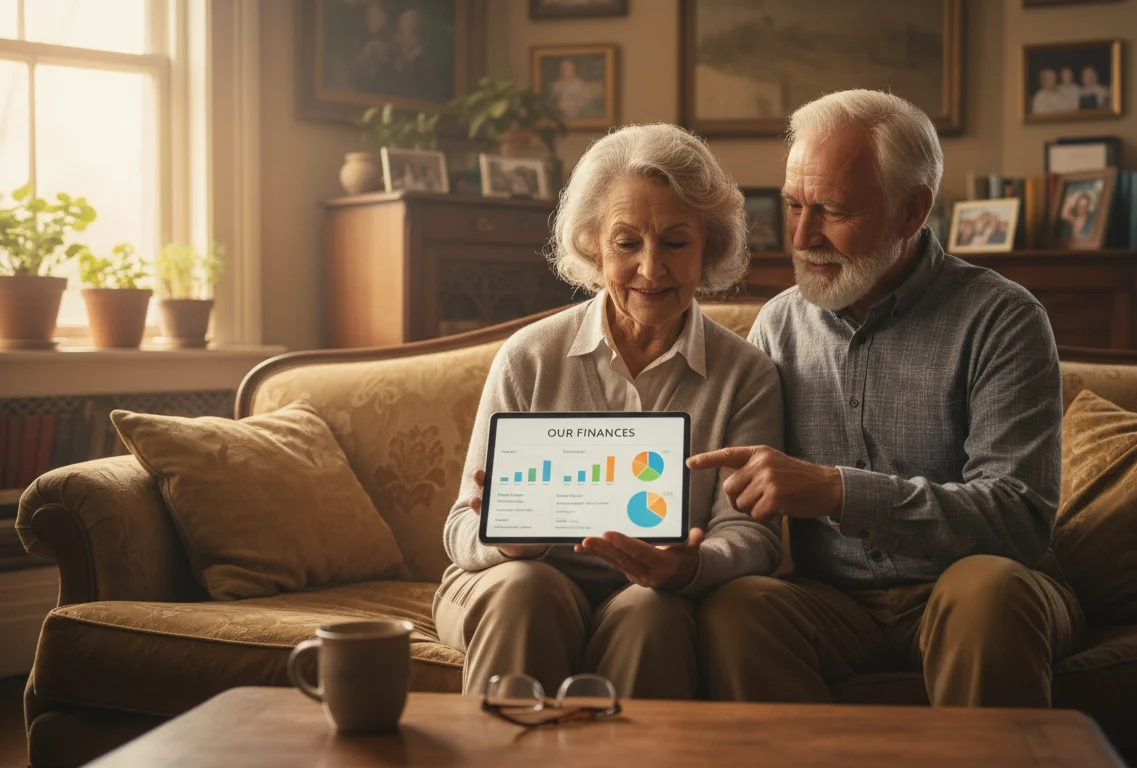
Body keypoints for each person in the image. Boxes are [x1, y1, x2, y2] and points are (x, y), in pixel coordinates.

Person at [692, 89, 1085, 708]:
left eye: (831, 210)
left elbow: (1018, 520)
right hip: (834, 602)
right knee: (739, 607)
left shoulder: (1002, 319)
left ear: (911, 211)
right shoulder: (777, 326)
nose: (800, 235)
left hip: (979, 585)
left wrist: (839, 490)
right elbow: (731, 479)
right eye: (793, 205)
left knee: (985, 592)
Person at [434, 123, 785, 700]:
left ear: (710, 246)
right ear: (594, 244)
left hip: (655, 596)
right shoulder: (529, 357)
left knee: (654, 611)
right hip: (514, 584)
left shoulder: (746, 374)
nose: (651, 269)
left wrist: (690, 568)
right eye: (627, 243)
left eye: (676, 242)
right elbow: (460, 528)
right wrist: (508, 540)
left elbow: (752, 534)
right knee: (528, 589)